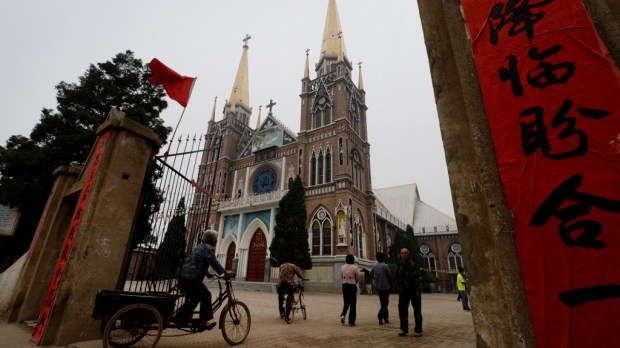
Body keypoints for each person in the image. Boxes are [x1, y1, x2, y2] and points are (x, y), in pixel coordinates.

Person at [175, 230, 232, 331]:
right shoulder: (208, 249)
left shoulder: (199, 247)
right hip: (192, 278)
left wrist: (208, 274)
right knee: (206, 295)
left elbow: (198, 261)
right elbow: (213, 261)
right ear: (211, 240)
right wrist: (224, 271)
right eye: (215, 239)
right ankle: (203, 322)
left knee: (195, 298)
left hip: (184, 276)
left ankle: (180, 317)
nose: (216, 241)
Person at [396, 248, 423, 337]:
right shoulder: (399, 265)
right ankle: (404, 329)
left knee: (417, 310)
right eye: (402, 253)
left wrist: (418, 290)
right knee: (402, 310)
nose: (403, 255)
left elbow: (418, 277)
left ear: (408, 254)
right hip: (403, 291)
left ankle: (418, 330)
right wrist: (398, 288)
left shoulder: (413, 264)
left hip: (414, 291)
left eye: (405, 253)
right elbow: (397, 277)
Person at [370, 252, 394, 325]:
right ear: (383, 258)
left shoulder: (374, 266)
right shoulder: (385, 266)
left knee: (383, 302)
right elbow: (390, 276)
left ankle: (385, 318)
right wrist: (393, 284)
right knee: (385, 303)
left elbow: (370, 274)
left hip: (378, 287)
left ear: (376, 258)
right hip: (386, 287)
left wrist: (375, 279)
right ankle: (380, 316)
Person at [340, 254, 359, 326]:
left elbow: (342, 276)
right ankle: (351, 321)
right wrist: (354, 282)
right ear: (353, 260)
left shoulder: (342, 267)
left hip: (344, 285)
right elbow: (357, 278)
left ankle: (343, 315)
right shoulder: (355, 267)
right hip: (352, 285)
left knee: (346, 302)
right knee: (353, 304)